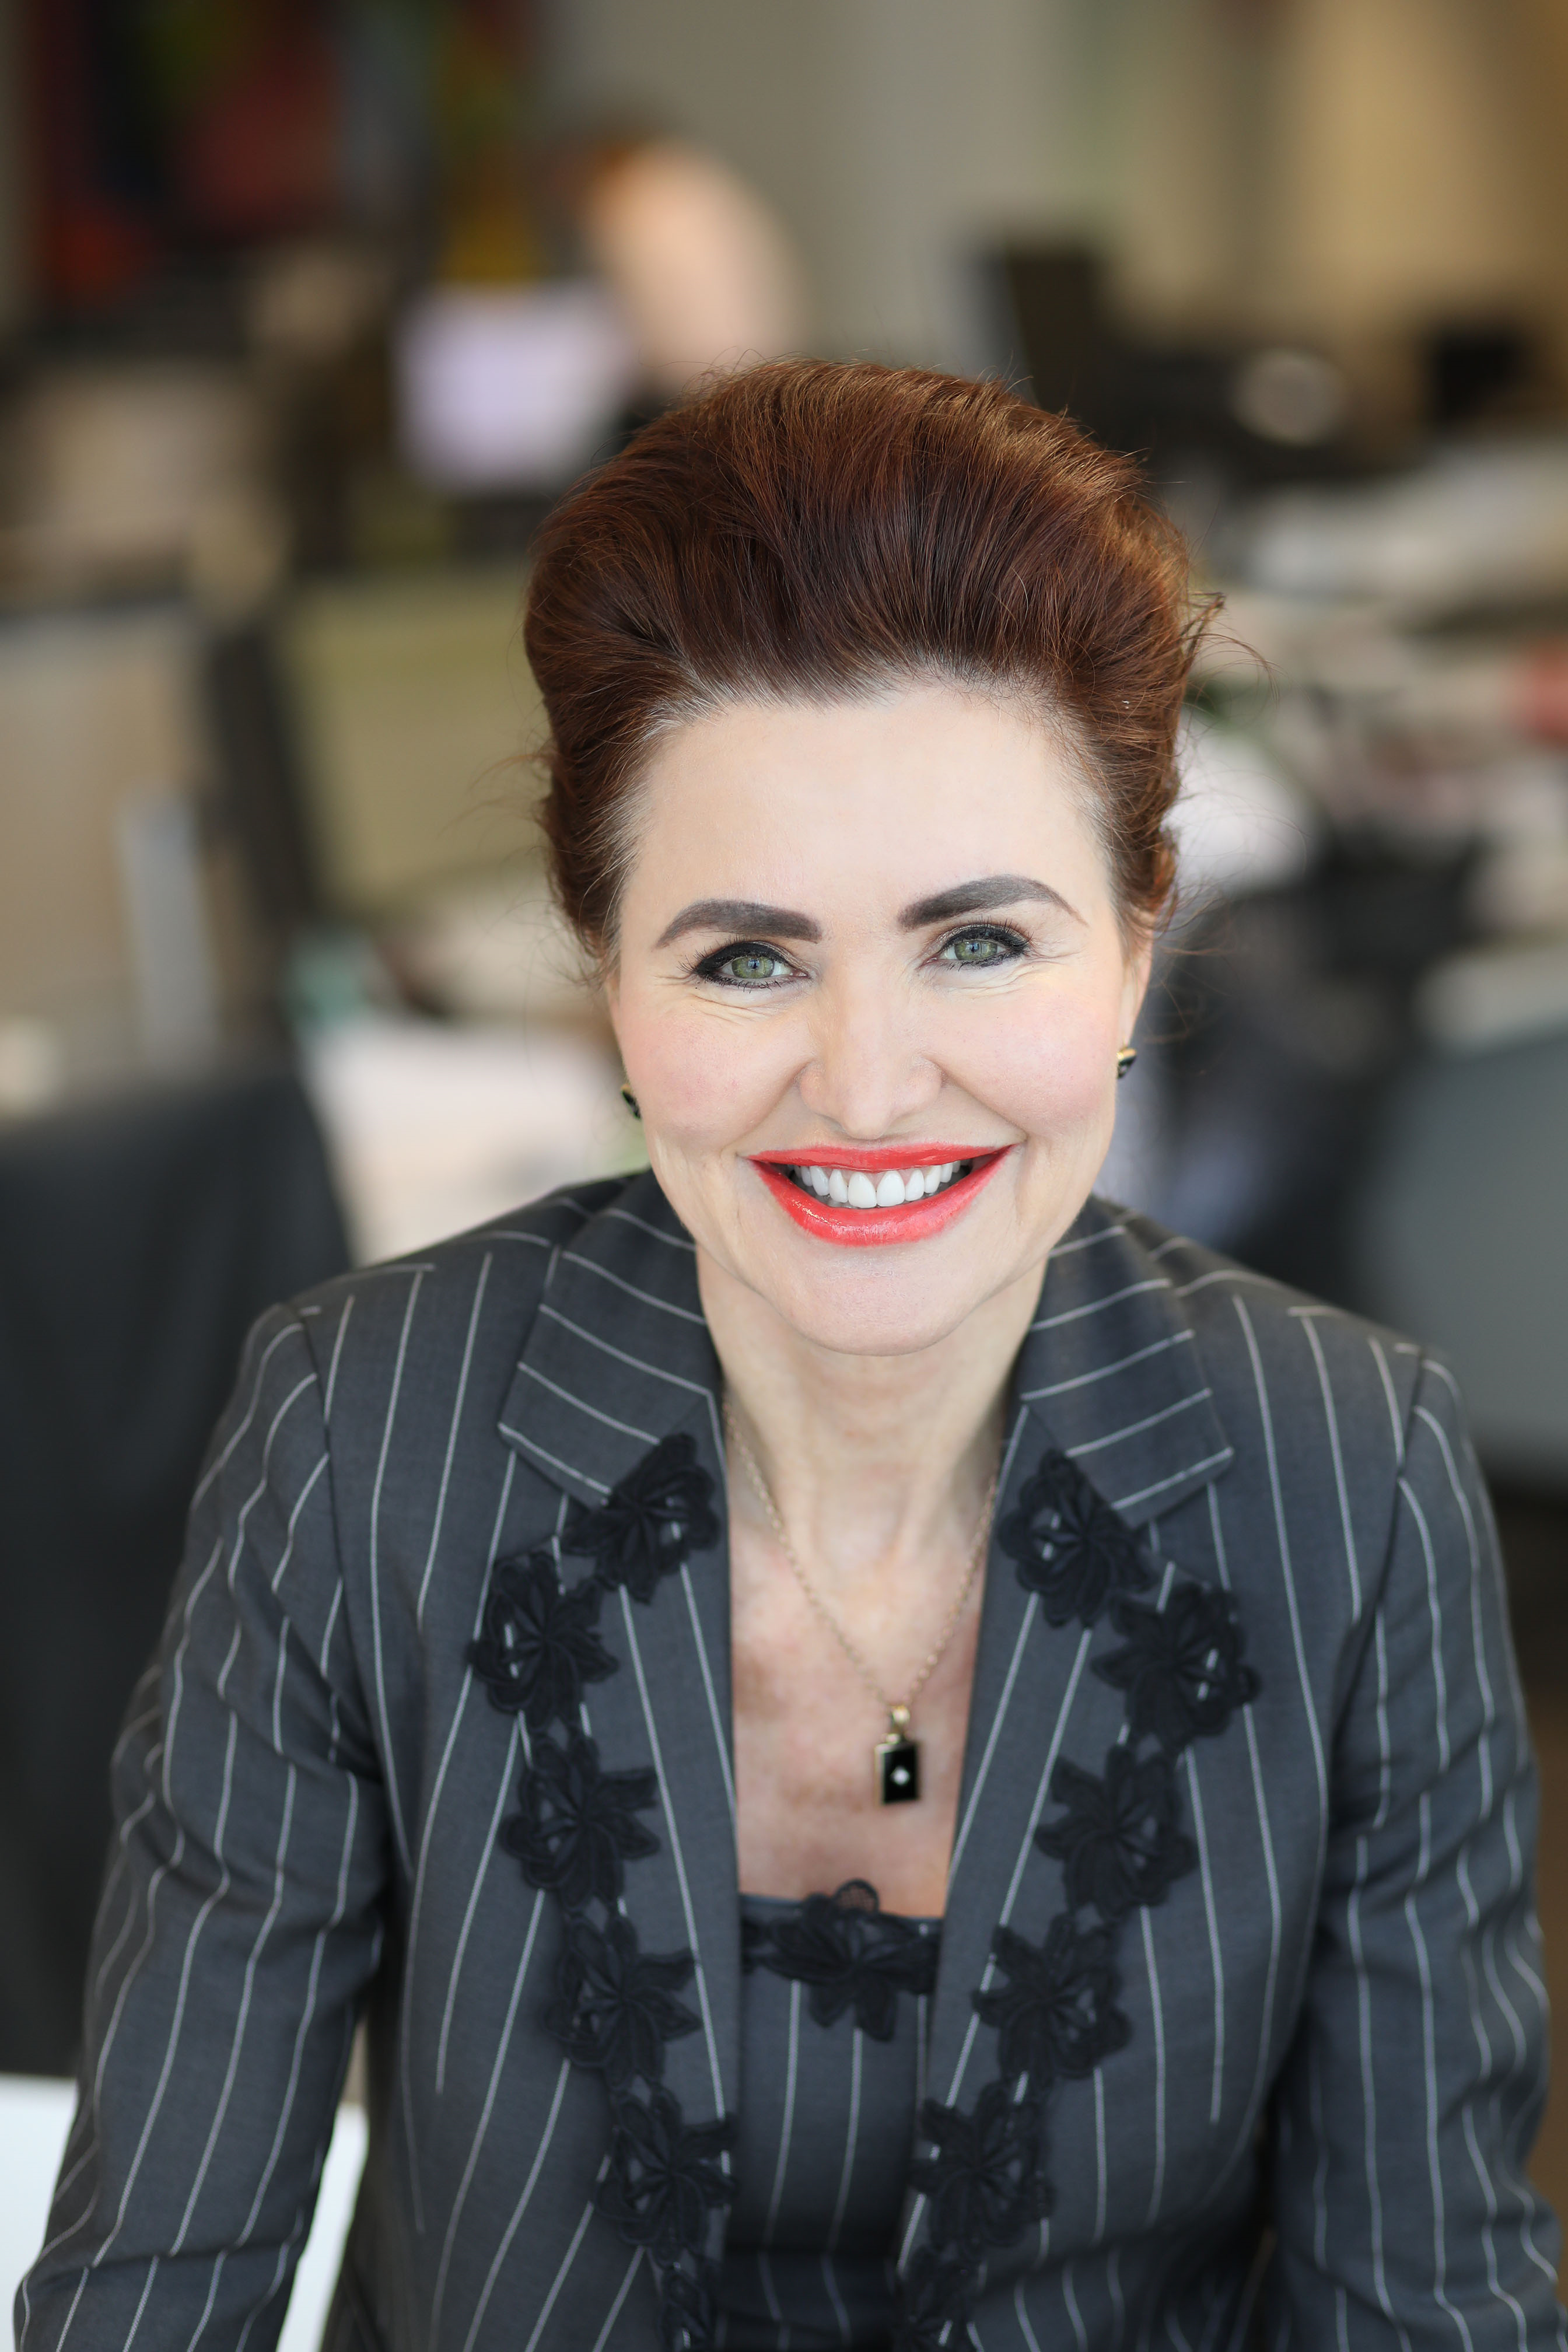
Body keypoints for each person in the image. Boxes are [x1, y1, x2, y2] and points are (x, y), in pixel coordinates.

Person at [19, 362, 1563, 2352]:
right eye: (747, 958)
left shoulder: (1354, 1476)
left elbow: (1427, 2307)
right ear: (608, 975)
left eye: (980, 941)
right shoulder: (363, 1432)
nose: (866, 1083)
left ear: (1137, 942)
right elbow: (158, 2287)